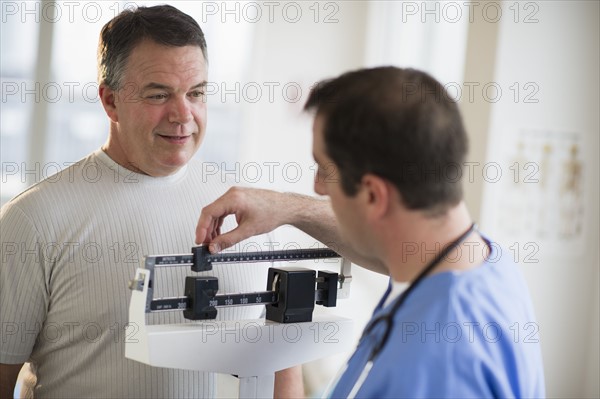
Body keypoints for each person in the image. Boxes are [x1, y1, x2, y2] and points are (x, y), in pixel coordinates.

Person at [0, 5, 300, 398]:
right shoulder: (33, 220)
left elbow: (281, 357)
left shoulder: (244, 211)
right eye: (159, 94)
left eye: (196, 93)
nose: (183, 114)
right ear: (110, 102)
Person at [196, 67, 546, 397]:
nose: (317, 187)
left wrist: (283, 358)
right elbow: (386, 243)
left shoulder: (440, 360)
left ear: (374, 195)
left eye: (322, 168)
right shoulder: (479, 262)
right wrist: (289, 208)